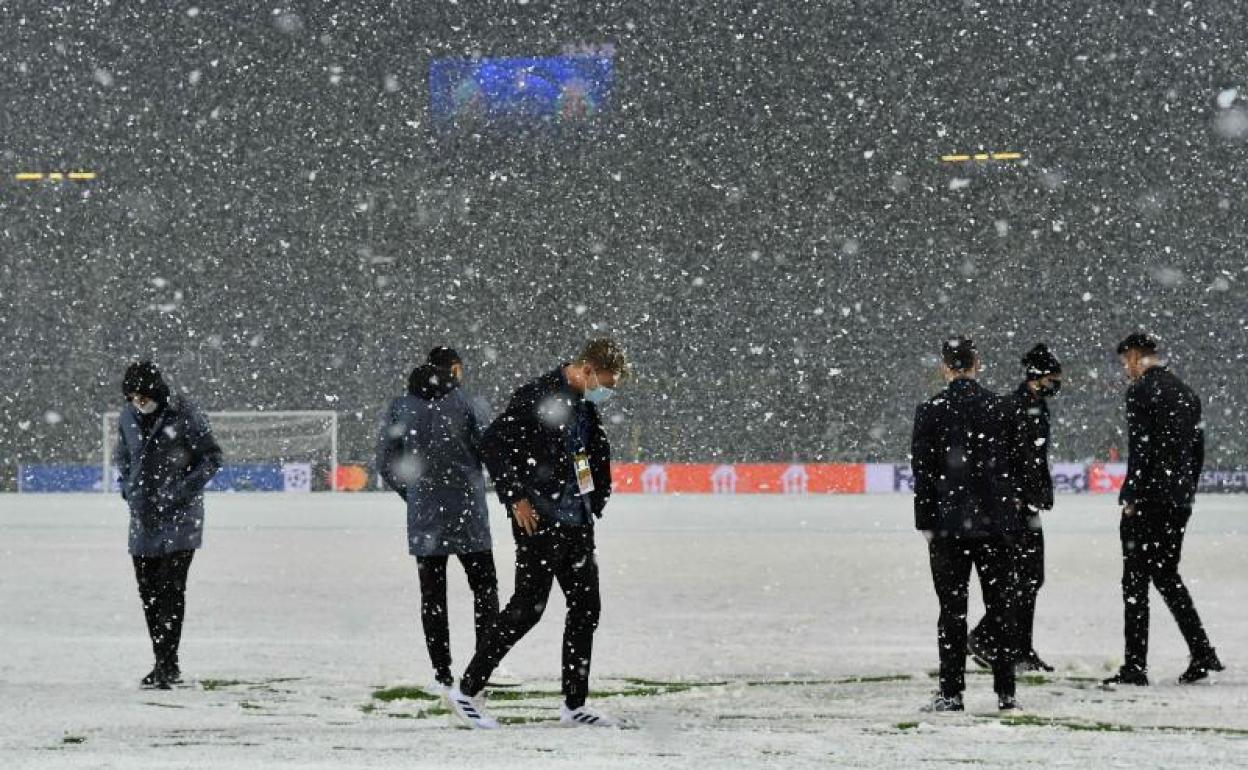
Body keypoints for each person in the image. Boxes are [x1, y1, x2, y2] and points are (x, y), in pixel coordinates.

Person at [446, 339, 628, 729]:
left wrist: (595, 497)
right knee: (527, 609)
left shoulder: (583, 405)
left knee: (586, 607)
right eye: (606, 382)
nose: (607, 391)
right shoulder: (537, 395)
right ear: (588, 370)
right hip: (541, 522)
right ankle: (466, 690)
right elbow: (493, 443)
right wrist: (515, 497)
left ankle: (574, 705)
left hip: (577, 522)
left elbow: (590, 455)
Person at [911, 337, 1026, 712]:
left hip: (950, 526)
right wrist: (1014, 517)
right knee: (1002, 607)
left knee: (952, 611)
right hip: (995, 525)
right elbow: (1018, 468)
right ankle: (1006, 692)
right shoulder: (1002, 408)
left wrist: (926, 523)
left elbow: (923, 474)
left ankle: (951, 691)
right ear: (978, 363)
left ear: (945, 367)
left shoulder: (931, 410)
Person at [1102, 333, 1223, 687]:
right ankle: (1202, 650)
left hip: (1150, 501)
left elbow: (1141, 447)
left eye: (1127, 362)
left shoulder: (1141, 392)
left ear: (1138, 356)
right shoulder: (1186, 392)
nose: (1126, 369)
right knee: (1167, 575)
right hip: (1178, 499)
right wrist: (1185, 492)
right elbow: (1197, 451)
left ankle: (1135, 666)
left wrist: (1132, 495)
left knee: (1135, 583)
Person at [376, 347, 498, 694]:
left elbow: (386, 462)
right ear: (456, 369)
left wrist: (414, 495)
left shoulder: (401, 407)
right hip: (468, 513)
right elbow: (490, 449)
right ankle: (481, 669)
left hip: (425, 517)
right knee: (485, 589)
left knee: (432, 596)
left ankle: (442, 673)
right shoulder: (471, 405)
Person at [115, 361, 223, 689]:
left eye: (143, 394)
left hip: (180, 518)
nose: (138, 401)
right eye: (132, 395)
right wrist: (128, 488)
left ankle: (167, 662)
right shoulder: (126, 418)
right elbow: (123, 456)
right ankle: (162, 661)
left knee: (170, 589)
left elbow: (212, 457)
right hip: (143, 516)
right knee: (148, 591)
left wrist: (181, 490)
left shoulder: (184, 414)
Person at [969, 343, 1062, 673]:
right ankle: (986, 638)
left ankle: (1019, 647)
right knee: (1021, 579)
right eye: (1053, 377)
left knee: (1031, 579)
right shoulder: (1013, 407)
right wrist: (1012, 496)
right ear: (1037, 377)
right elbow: (1004, 458)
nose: (1057, 383)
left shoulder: (1037, 408)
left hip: (1029, 505)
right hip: (1015, 509)